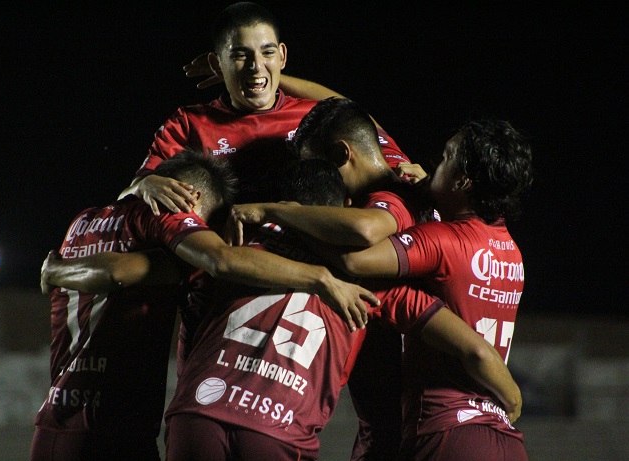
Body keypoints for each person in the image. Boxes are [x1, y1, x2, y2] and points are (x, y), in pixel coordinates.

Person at [162, 157, 521, 460]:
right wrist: (511, 397)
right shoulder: (372, 285)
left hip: (199, 412)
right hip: (279, 430)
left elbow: (191, 322)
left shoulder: (237, 251)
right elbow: (473, 348)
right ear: (344, 209)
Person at [30, 149, 377, 461]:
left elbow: (123, 270)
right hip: (123, 428)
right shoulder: (166, 218)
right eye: (206, 224)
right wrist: (321, 278)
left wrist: (55, 270)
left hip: (57, 419)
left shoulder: (83, 221)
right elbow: (217, 260)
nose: (206, 232)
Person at [309, 119, 534, 460]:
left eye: (445, 158)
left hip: (448, 431)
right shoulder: (512, 252)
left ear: (463, 181)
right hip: (504, 437)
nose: (431, 166)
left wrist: (284, 215)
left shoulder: (443, 240)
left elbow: (353, 260)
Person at [226, 96, 434, 459]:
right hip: (388, 398)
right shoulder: (387, 152)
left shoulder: (395, 195)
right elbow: (347, 104)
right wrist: (278, 78)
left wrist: (278, 212)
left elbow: (363, 235)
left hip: (401, 396)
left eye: (320, 167)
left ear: (342, 154)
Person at [121, 1, 409, 216]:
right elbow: (130, 194)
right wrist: (142, 186)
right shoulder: (188, 123)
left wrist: (407, 173)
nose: (256, 66)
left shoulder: (312, 116)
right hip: (224, 262)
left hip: (311, 255)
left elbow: (369, 146)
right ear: (217, 64)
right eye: (240, 55)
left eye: (267, 52)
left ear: (282, 56)